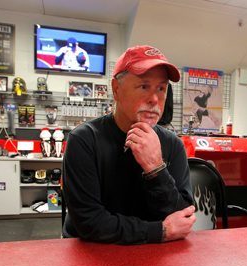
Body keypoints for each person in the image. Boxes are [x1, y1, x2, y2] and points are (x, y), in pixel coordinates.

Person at [62, 45, 196, 244]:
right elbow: (89, 223)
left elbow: (182, 217)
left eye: (161, 88)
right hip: (94, 255)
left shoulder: (173, 145)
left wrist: (156, 169)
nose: (154, 99)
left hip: (153, 257)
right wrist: (159, 231)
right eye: (144, 86)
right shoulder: (83, 140)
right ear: (116, 89)